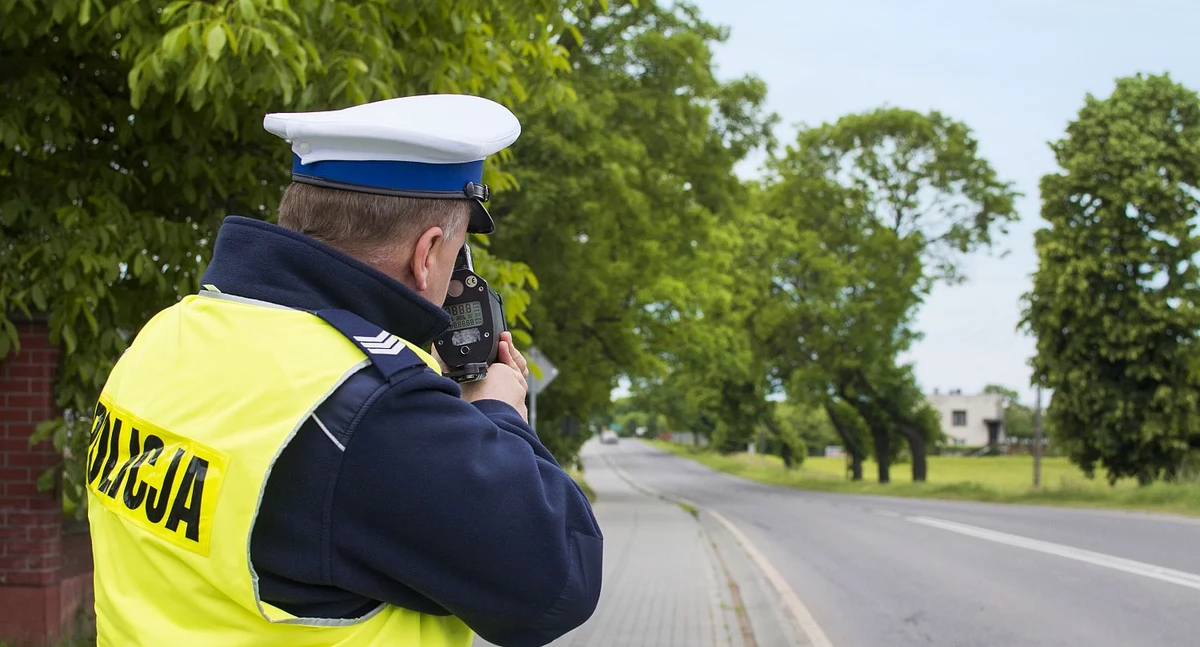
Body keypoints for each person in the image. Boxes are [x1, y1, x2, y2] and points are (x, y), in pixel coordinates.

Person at [84, 94, 604, 647]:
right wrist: (498, 412)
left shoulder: (170, 332)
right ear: (428, 253)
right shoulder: (368, 405)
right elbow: (556, 583)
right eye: (456, 255)